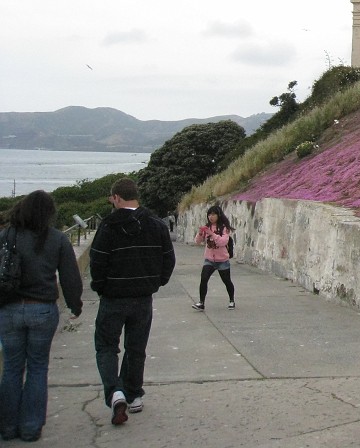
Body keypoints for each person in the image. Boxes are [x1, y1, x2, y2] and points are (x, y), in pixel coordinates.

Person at [90, 177, 175, 426]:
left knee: (106, 347)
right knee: (136, 348)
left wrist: (101, 287)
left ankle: (115, 392)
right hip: (142, 298)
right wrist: (155, 283)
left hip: (113, 297)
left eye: (111, 198)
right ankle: (134, 394)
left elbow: (97, 262)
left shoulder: (107, 226)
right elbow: (168, 260)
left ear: (116, 197)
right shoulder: (157, 225)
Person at [0, 190, 83, 442]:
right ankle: (30, 427)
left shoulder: (6, 236)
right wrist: (74, 305)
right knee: (37, 368)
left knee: (12, 368)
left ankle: (7, 427)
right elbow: (70, 277)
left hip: (9, 309)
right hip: (42, 309)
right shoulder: (57, 239)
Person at [192, 205, 235, 312]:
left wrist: (212, 234)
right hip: (209, 259)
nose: (211, 217)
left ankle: (232, 300)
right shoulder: (207, 227)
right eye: (209, 214)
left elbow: (223, 242)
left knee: (227, 281)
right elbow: (197, 242)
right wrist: (200, 233)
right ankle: (201, 303)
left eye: (213, 214)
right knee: (204, 278)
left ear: (218, 215)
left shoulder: (224, 228)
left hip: (222, 260)